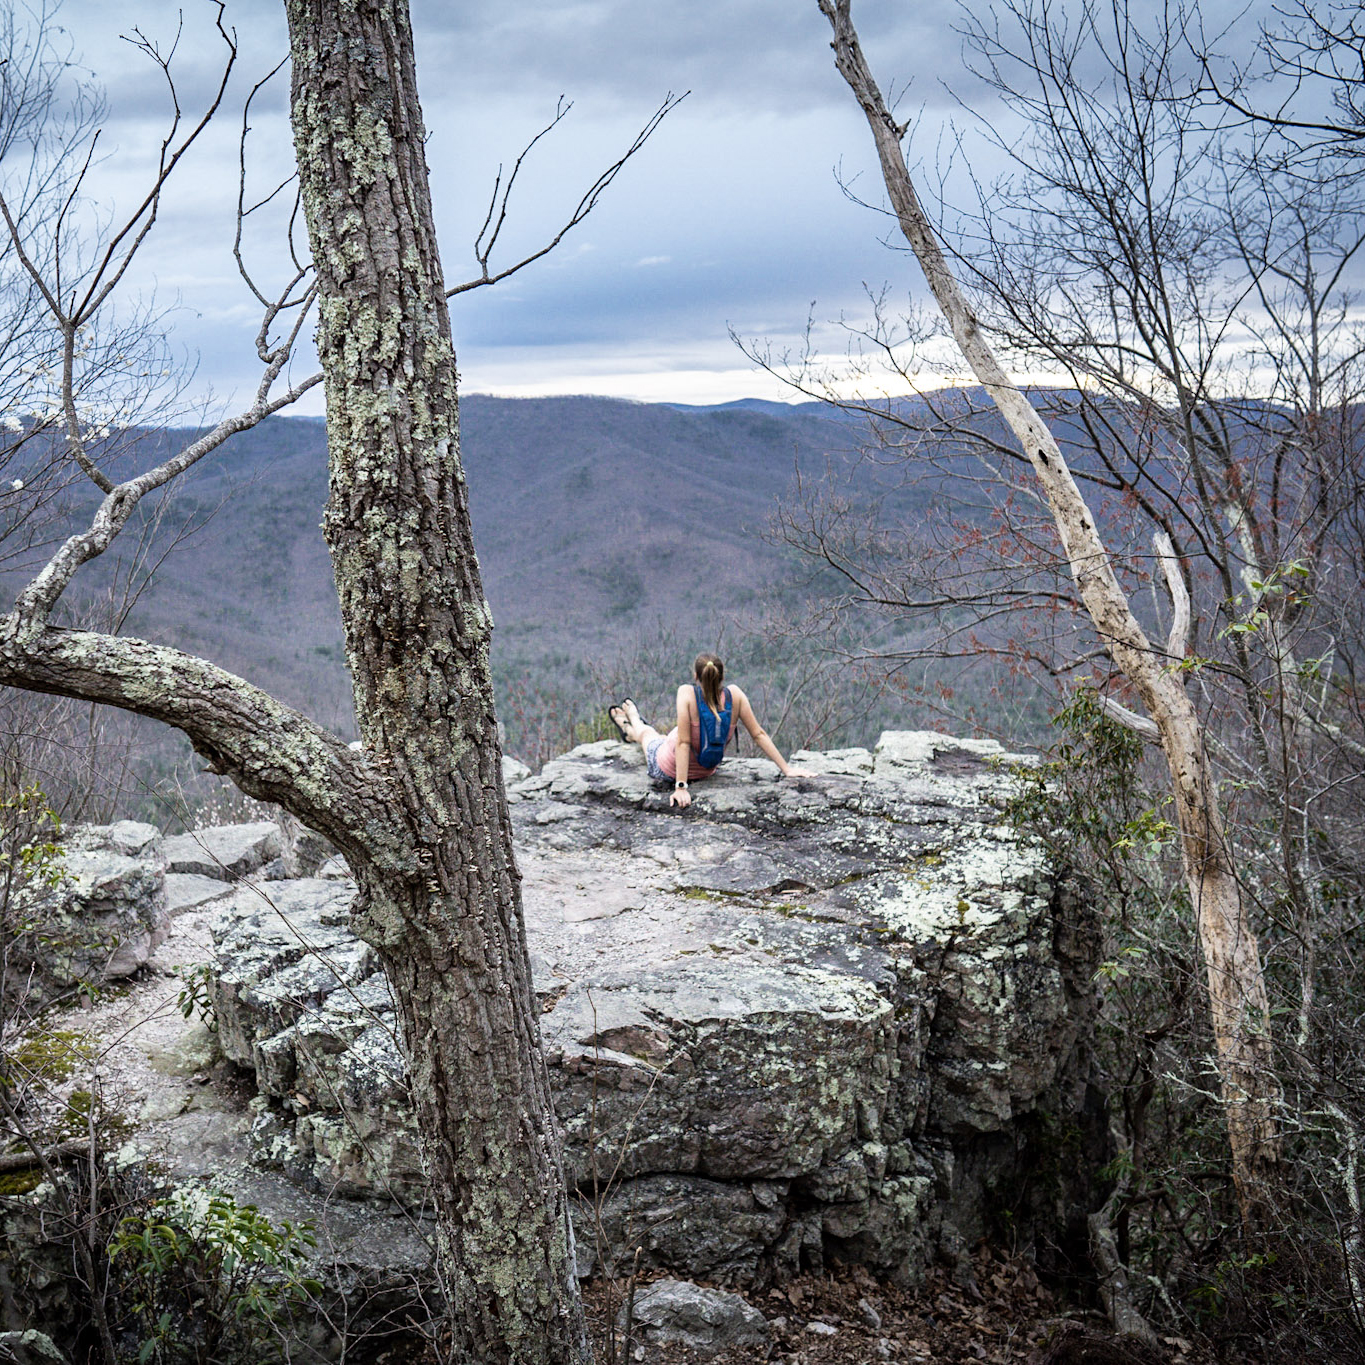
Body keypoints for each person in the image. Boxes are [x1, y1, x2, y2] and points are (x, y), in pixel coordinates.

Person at [608, 653, 808, 809]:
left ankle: (633, 722)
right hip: (707, 770)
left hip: (667, 769)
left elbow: (684, 743)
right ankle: (631, 728)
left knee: (648, 737)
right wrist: (787, 769)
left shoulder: (686, 693)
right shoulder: (735, 696)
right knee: (664, 738)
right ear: (722, 676)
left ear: (696, 676)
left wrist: (680, 787)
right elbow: (759, 735)